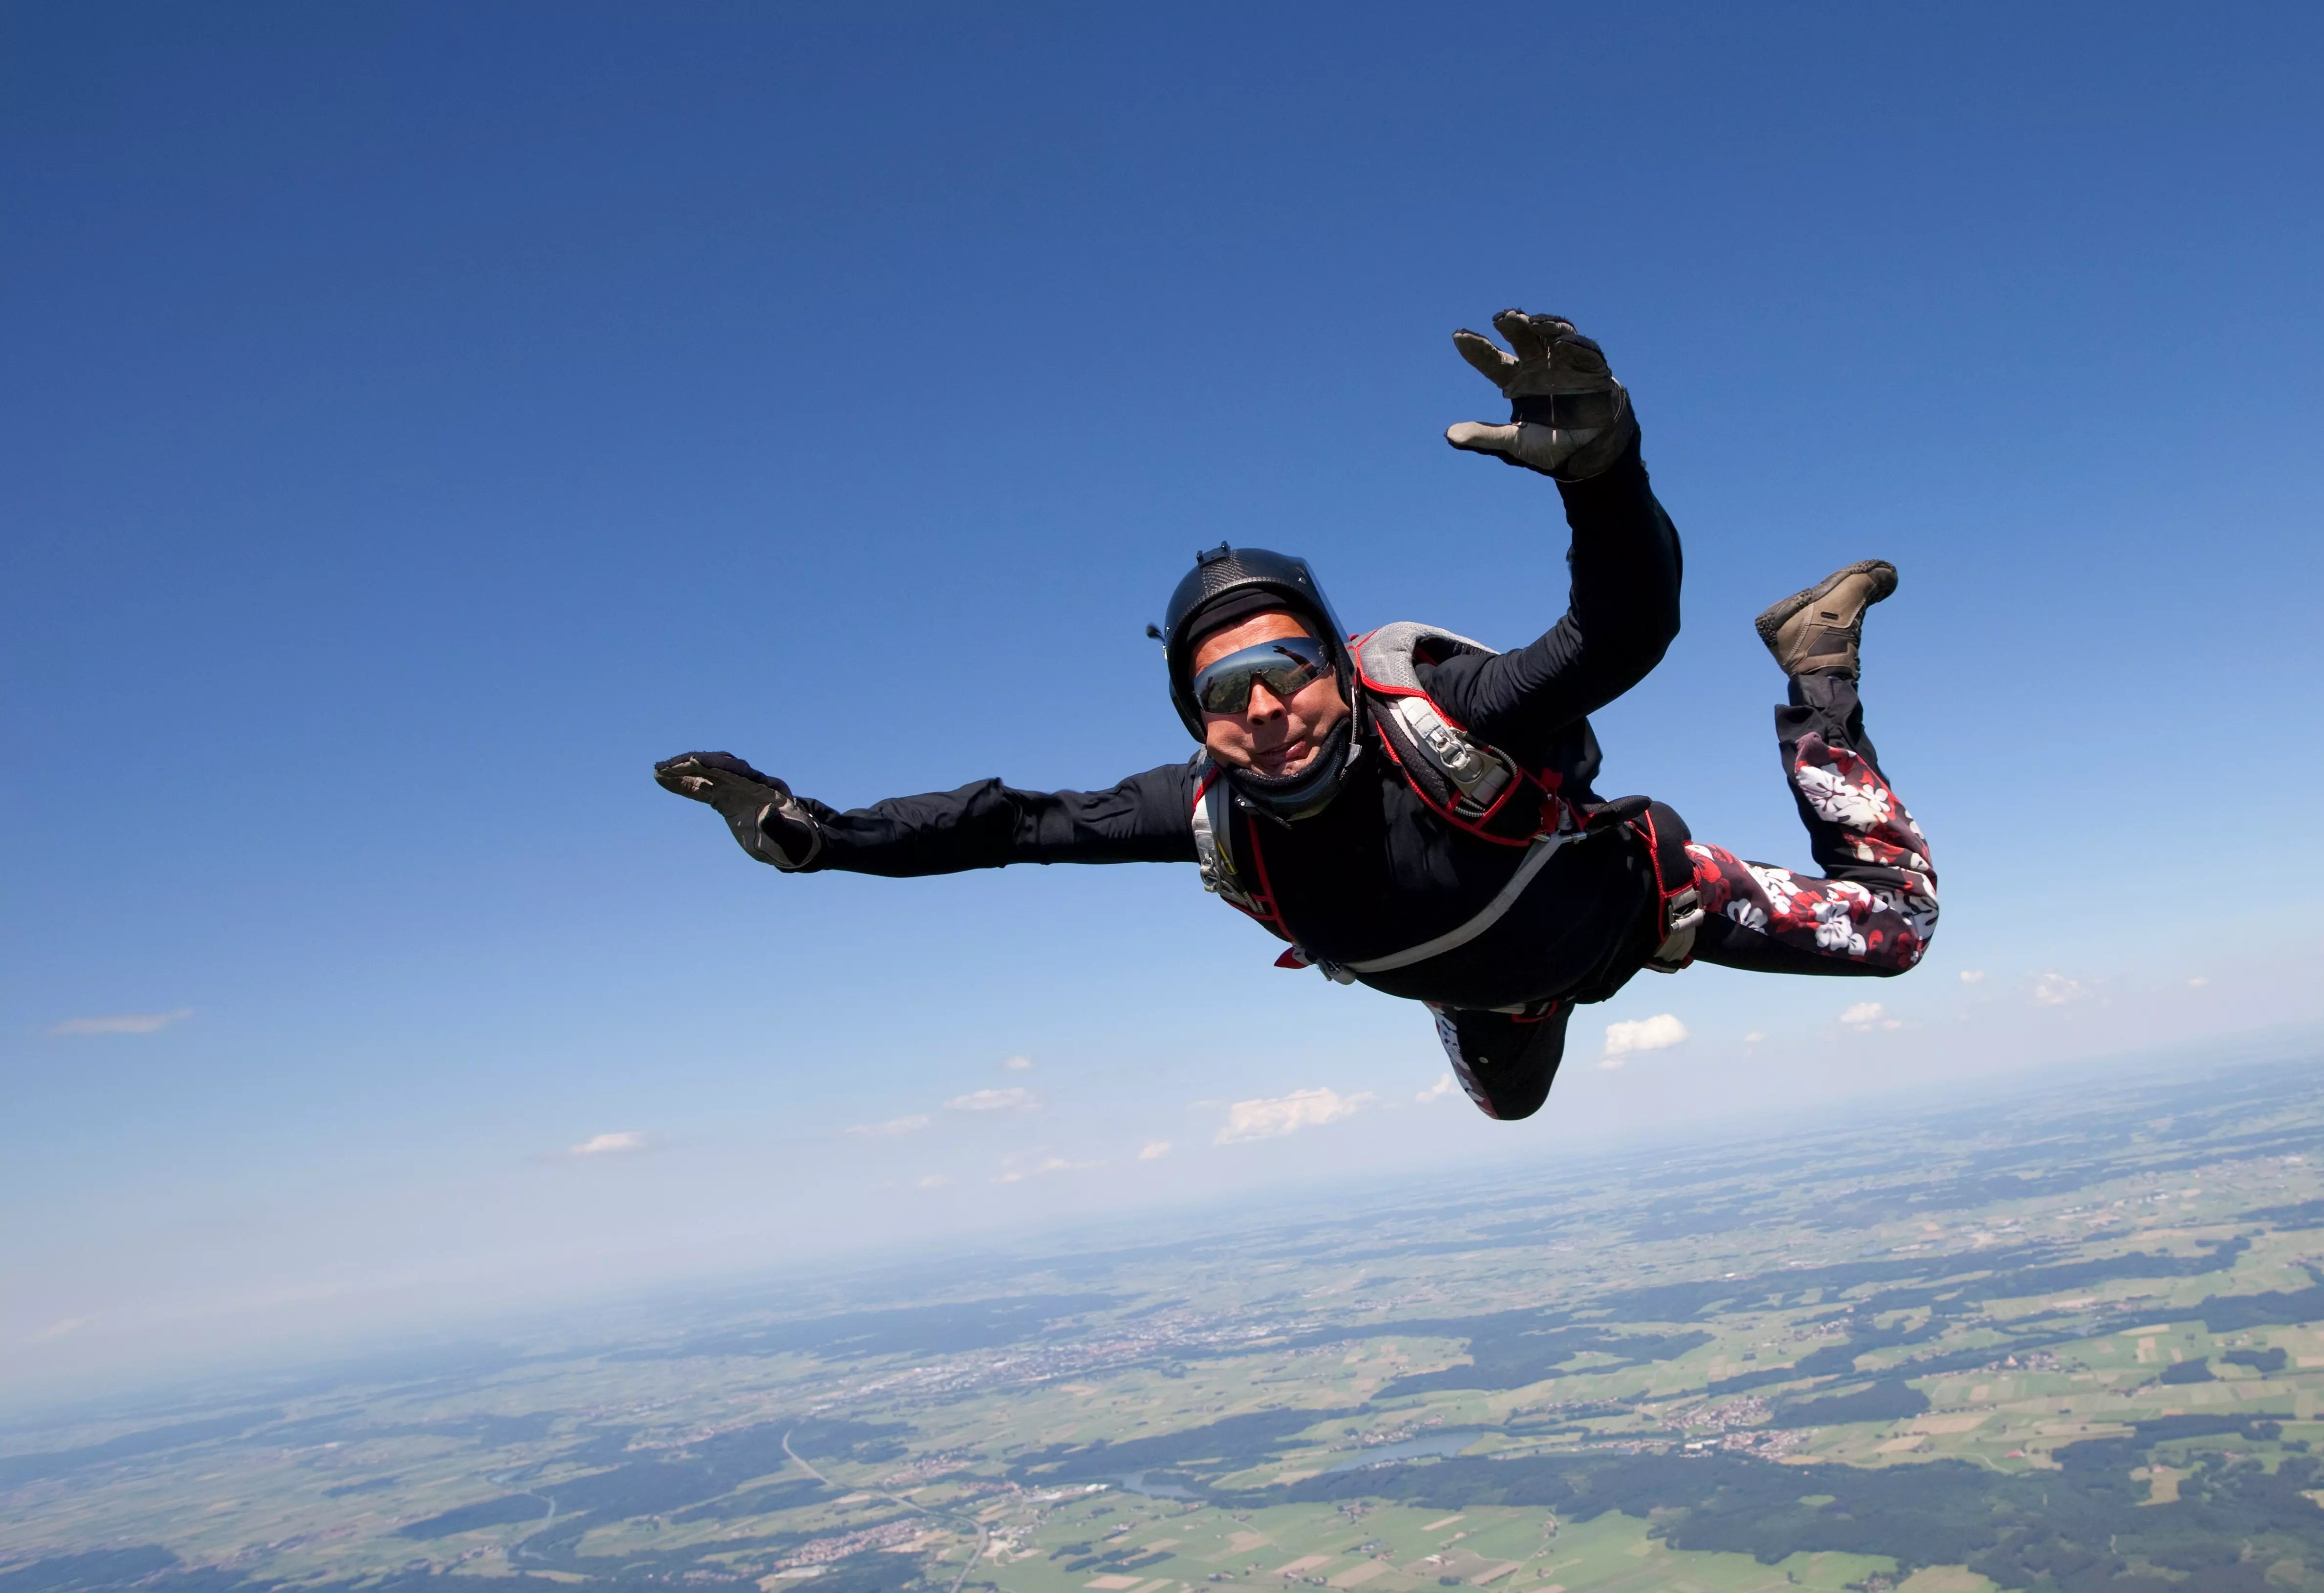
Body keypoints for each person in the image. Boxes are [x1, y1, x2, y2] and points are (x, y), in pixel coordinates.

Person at [656, 311, 1937, 1120]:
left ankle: (1815, 671)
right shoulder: (1210, 815)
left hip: (1646, 907)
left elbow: (1619, 633)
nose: (1264, 706)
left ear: (1337, 666)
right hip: (1488, 974)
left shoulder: (1451, 724)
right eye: (1223, 691)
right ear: (1197, 721)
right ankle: (1483, 1002)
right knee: (1508, 1102)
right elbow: (1004, 824)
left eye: (1287, 668)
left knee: (1896, 931)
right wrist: (806, 833)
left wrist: (1606, 477)